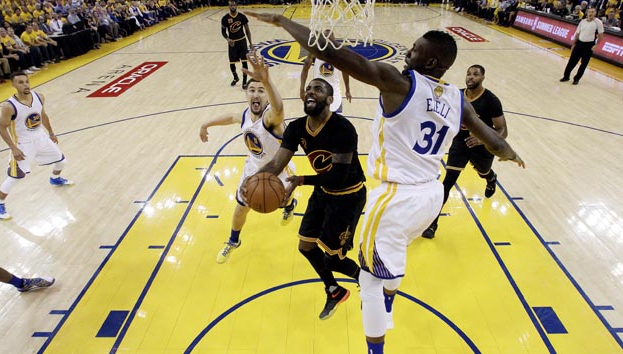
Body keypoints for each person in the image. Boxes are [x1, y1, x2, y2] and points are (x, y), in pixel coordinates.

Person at [245, 13, 524, 354]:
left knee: (370, 282)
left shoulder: (399, 83)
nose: (409, 51)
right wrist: (510, 155)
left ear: (432, 60)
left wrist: (280, 21)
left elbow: (332, 53)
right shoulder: (458, 99)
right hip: (431, 195)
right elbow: (494, 142)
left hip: (396, 197)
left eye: (417, 49)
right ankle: (388, 303)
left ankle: (376, 345)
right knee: (390, 260)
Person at [251, 78, 366, 321]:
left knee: (333, 259)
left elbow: (338, 176)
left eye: (318, 89)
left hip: (348, 196)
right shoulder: (296, 128)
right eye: (308, 89)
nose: (310, 92)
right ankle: (334, 290)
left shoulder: (343, 129)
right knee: (306, 246)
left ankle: (367, 280)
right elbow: (277, 163)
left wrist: (299, 180)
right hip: (323, 193)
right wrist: (251, 182)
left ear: (330, 99)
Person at [200, 53, 297, 264]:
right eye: (252, 90)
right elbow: (231, 117)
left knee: (282, 201)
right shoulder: (245, 114)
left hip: (278, 170)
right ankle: (233, 241)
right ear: (247, 95)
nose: (256, 94)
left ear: (266, 96)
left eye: (261, 91)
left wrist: (267, 81)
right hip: (253, 169)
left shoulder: (271, 118)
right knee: (240, 208)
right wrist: (206, 124)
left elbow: (279, 108)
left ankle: (290, 205)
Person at [422, 64, 508, 239]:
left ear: (483, 78)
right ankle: (432, 224)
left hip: (483, 146)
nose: (470, 77)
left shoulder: (491, 100)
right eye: (468, 74)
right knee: (447, 183)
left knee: (483, 171)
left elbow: (503, 131)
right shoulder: (456, 95)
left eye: (475, 74)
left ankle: (490, 178)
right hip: (460, 143)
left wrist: (482, 139)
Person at [0, 72, 73, 221]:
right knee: (15, 177)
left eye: (26, 81)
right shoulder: (9, 106)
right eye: (20, 82)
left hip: (41, 138)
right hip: (23, 145)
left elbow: (42, 115)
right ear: (14, 85)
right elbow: (2, 128)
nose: (25, 85)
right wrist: (13, 147)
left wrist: (51, 132)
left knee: (62, 161)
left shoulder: (39, 97)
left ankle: (55, 178)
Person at [299, 30, 352, 113]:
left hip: (332, 94)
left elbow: (345, 72)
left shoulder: (338, 53)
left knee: (331, 122)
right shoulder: (315, 52)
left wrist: (348, 89)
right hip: (320, 93)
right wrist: (301, 89)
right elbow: (305, 68)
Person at [560, 7, 604, 85]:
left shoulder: (598, 22)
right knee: (572, 61)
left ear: (595, 13)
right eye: (590, 12)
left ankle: (576, 79)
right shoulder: (582, 21)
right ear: (587, 13)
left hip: (589, 45)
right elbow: (577, 33)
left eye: (593, 12)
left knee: (584, 64)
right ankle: (566, 76)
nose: (591, 13)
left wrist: (597, 45)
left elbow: (601, 35)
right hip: (579, 43)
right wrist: (574, 43)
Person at [221, 0, 253, 90]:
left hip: (242, 42)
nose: (232, 7)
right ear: (228, 6)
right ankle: (235, 77)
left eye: (234, 5)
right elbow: (223, 31)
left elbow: (247, 30)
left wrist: (250, 43)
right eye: (231, 5)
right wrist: (227, 39)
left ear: (236, 6)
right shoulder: (225, 18)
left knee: (244, 62)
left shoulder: (242, 17)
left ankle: (244, 81)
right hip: (232, 43)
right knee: (232, 63)